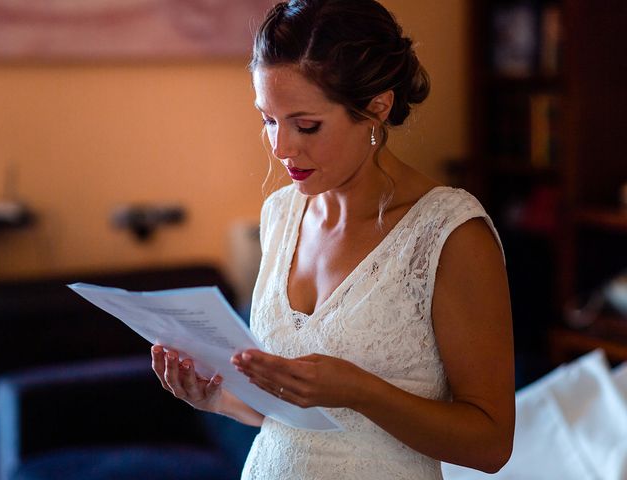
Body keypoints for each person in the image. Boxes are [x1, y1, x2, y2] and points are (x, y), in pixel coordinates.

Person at [151, 0, 515, 478]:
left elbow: (491, 445)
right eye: (268, 120)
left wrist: (360, 390)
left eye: (306, 125)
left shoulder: (448, 234)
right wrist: (217, 397)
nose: (281, 148)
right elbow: (294, 422)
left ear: (377, 106)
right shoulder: (281, 215)